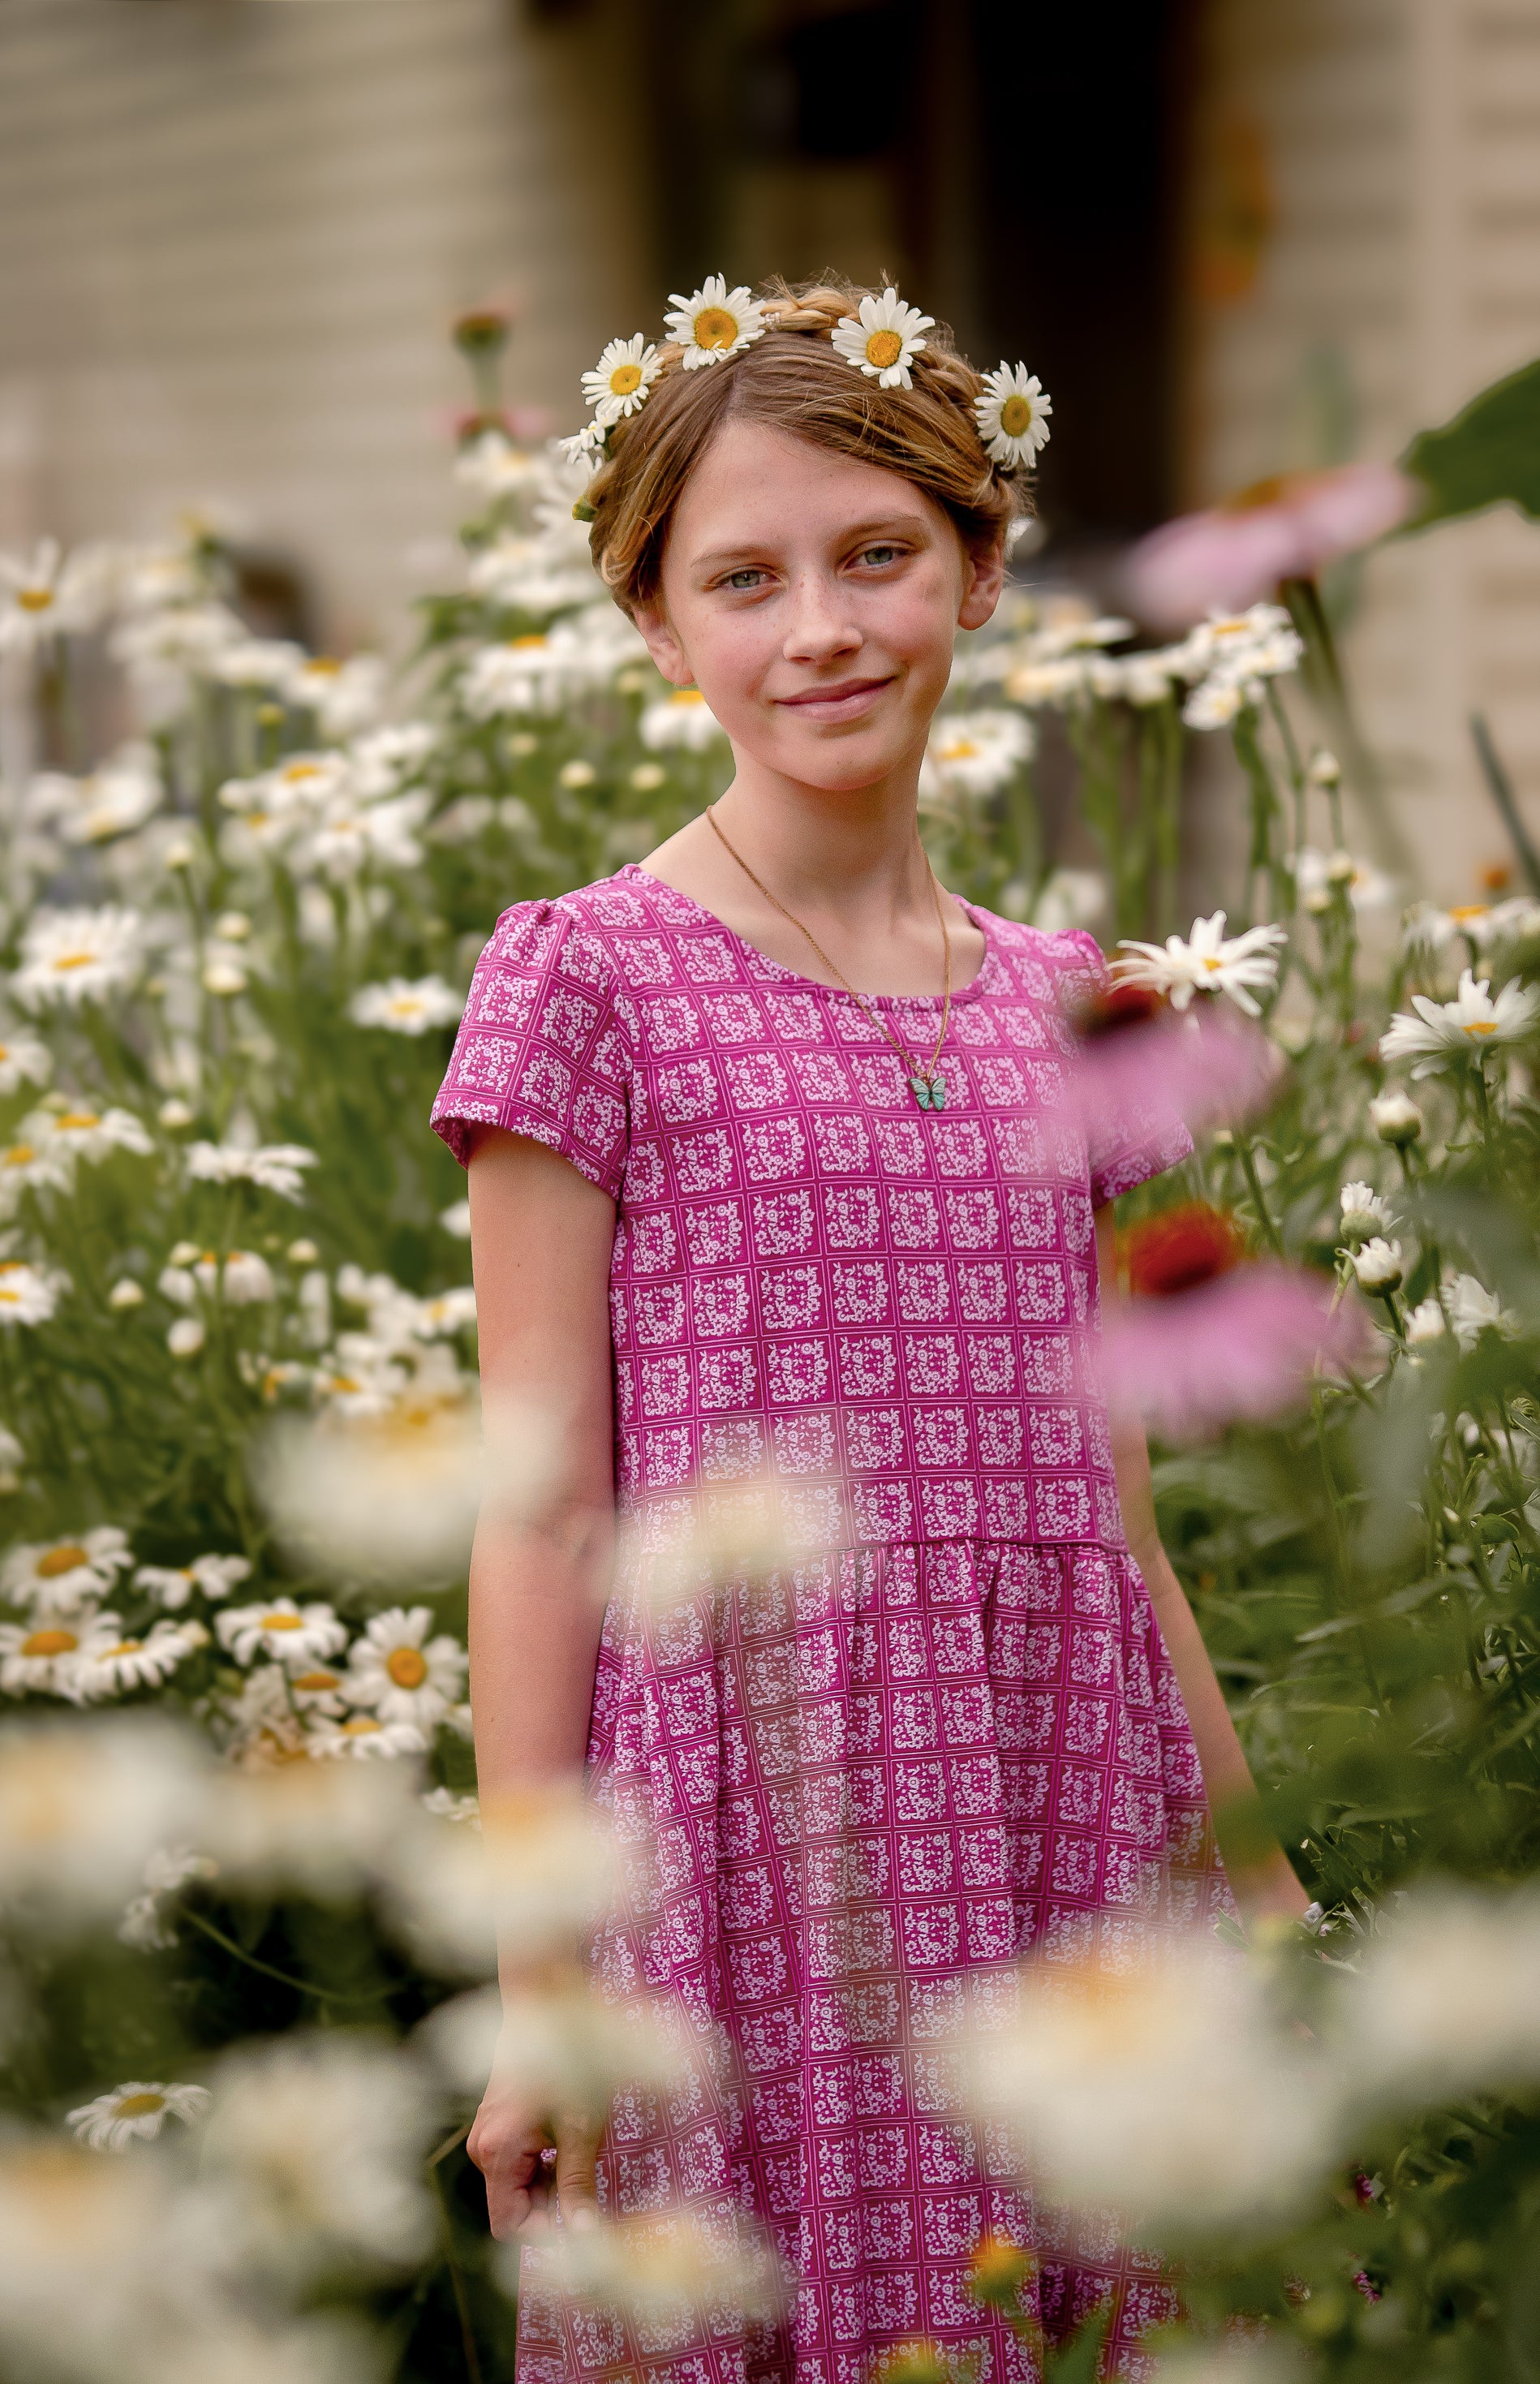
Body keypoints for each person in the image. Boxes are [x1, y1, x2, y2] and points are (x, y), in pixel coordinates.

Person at [431, 276, 1310, 2384]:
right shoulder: (588, 981)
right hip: (758, 1826)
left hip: (1069, 1799)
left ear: (981, 571)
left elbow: (1114, 1517)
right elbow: (540, 1514)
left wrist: (1265, 1884)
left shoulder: (1070, 1000)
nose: (818, 627)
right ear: (657, 625)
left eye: (877, 556)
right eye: (742, 578)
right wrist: (538, 1990)